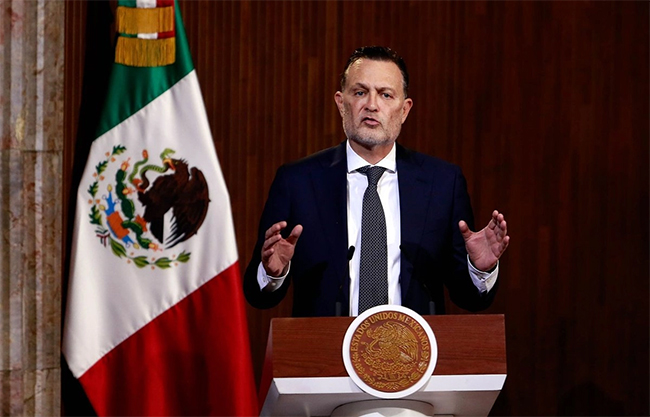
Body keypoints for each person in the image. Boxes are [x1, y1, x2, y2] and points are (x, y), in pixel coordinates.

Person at [244, 46, 509, 317]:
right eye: (360, 92)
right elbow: (257, 294)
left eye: (385, 94)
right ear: (341, 103)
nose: (371, 105)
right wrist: (272, 273)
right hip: (326, 343)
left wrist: (480, 269)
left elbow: (469, 298)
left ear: (404, 110)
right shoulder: (297, 181)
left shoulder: (442, 183)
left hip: (412, 343)